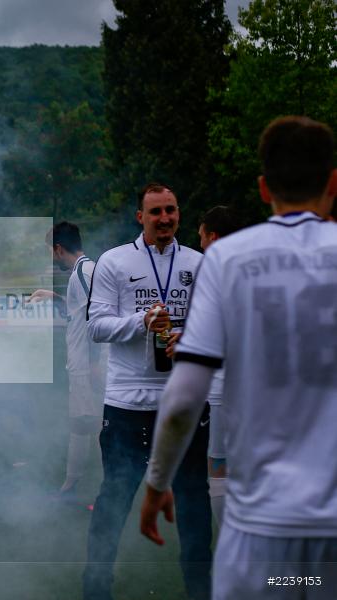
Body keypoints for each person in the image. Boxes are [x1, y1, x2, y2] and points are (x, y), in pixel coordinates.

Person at [140, 116, 337, 600]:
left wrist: (157, 480)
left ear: (264, 187)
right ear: (333, 182)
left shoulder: (226, 260)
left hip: (262, 521)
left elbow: (185, 395)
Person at [83, 184, 211, 600]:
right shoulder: (114, 261)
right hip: (128, 405)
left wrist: (188, 340)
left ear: (179, 214)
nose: (165, 219)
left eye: (171, 210)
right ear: (140, 217)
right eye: (155, 212)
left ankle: (200, 588)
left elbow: (213, 328)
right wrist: (141, 321)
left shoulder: (198, 262)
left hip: (185, 403)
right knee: (115, 497)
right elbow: (97, 326)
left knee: (194, 501)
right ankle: (96, 586)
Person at [29, 222, 107, 501]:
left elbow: (94, 317)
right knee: (92, 422)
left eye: (51, 252)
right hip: (85, 361)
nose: (52, 257)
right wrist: (55, 297)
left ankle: (78, 488)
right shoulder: (87, 271)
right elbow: (80, 309)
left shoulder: (83, 272)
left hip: (87, 362)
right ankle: (85, 486)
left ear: (59, 249)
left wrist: (95, 363)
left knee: (85, 423)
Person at [194, 206, 242, 526]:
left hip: (222, 383)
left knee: (219, 463)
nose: (199, 245)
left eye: (201, 237)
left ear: (213, 236)